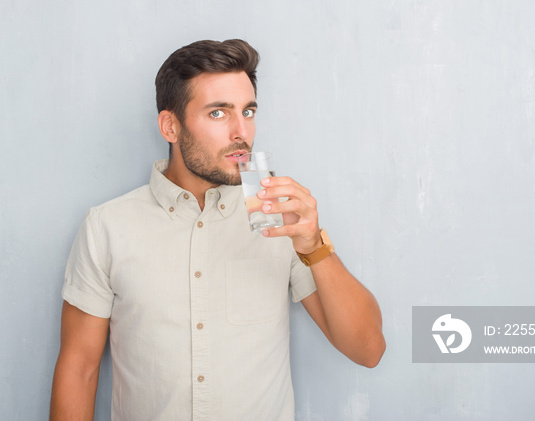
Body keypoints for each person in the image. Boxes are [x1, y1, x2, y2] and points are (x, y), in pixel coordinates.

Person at [50, 39, 385, 421]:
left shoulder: (281, 219)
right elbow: (79, 370)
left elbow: (368, 349)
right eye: (218, 114)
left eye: (249, 111)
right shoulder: (107, 227)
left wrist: (314, 246)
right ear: (170, 126)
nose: (241, 132)